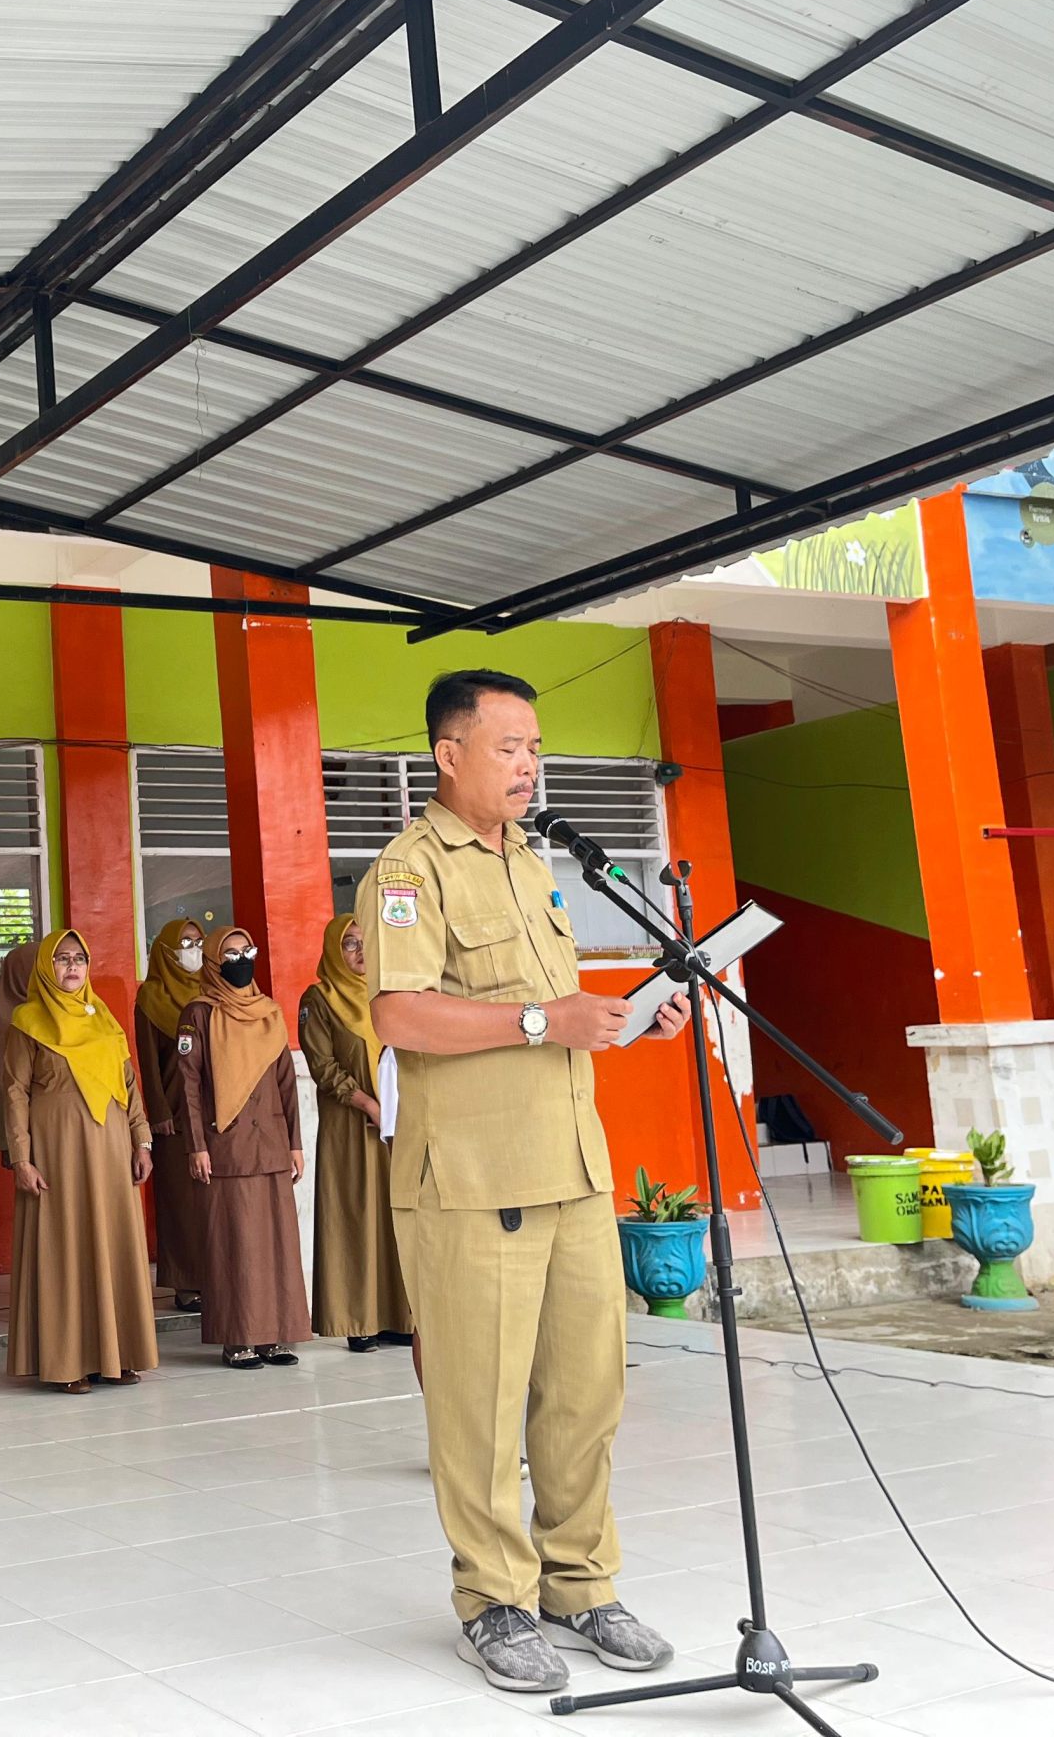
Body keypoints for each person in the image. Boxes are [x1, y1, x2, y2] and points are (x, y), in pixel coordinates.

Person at [361, 668, 691, 1693]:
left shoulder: (533, 864)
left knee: (586, 1395)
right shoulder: (407, 873)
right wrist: (551, 1019)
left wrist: (622, 1018)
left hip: (570, 1168)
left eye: (535, 747)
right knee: (481, 1401)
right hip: (471, 1181)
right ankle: (494, 1601)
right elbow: (399, 1015)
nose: (528, 765)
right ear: (447, 755)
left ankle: (580, 1585)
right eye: (508, 746)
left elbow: (543, 1007)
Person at [0, 929, 156, 1392]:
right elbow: (14, 1094)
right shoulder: (28, 1021)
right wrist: (22, 1159)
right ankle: (69, 1361)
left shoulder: (104, 1018)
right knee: (65, 1248)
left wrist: (142, 1141)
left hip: (111, 1155)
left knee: (114, 1246)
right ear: (47, 967)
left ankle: (118, 1352)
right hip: (58, 1155)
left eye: (79, 958)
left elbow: (129, 1086)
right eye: (62, 959)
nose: (72, 967)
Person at [174, 926, 310, 1369]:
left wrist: (295, 1143)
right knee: (234, 1244)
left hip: (270, 1143)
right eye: (229, 954)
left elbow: (287, 1081)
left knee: (275, 1244)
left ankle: (275, 1335)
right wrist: (196, 1146)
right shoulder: (198, 1013)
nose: (240, 961)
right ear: (214, 962)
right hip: (225, 1143)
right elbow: (188, 1087)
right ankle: (239, 1337)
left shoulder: (268, 1011)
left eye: (246, 951)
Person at [301, 916, 411, 1352]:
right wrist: (367, 1103)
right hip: (352, 1126)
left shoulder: (386, 996)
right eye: (349, 944)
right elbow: (322, 1065)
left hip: (397, 1125)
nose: (360, 953)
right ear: (333, 950)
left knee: (393, 1216)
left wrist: (396, 1110)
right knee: (354, 1216)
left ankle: (398, 1316)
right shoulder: (319, 999)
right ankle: (358, 1319)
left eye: (367, 943)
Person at [132, 919, 209, 1312]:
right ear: (165, 949)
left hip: (210, 1110)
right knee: (180, 1200)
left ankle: (214, 1274)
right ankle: (184, 1281)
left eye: (198, 942)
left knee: (212, 1198)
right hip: (173, 1115)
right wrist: (158, 1111)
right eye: (184, 942)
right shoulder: (151, 997)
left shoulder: (211, 989)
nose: (193, 949)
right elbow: (147, 1059)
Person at [0, 941, 36, 1173]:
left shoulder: (61, 1011)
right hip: (23, 1133)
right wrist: (8, 1145)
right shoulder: (7, 1021)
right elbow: (0, 1085)